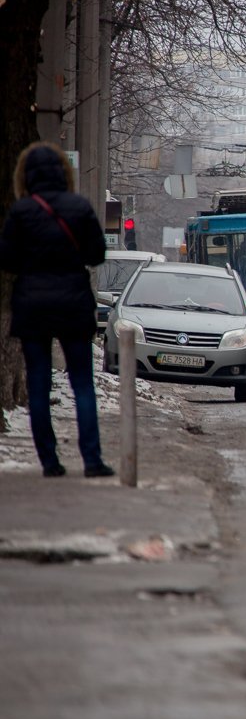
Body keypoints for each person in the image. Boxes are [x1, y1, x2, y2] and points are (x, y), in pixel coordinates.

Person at [0, 142, 113, 477]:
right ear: (64, 173)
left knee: (38, 383)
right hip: (73, 304)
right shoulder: (78, 207)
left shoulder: (21, 212)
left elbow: (6, 259)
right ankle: (92, 460)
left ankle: (50, 462)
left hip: (33, 305)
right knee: (82, 383)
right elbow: (96, 254)